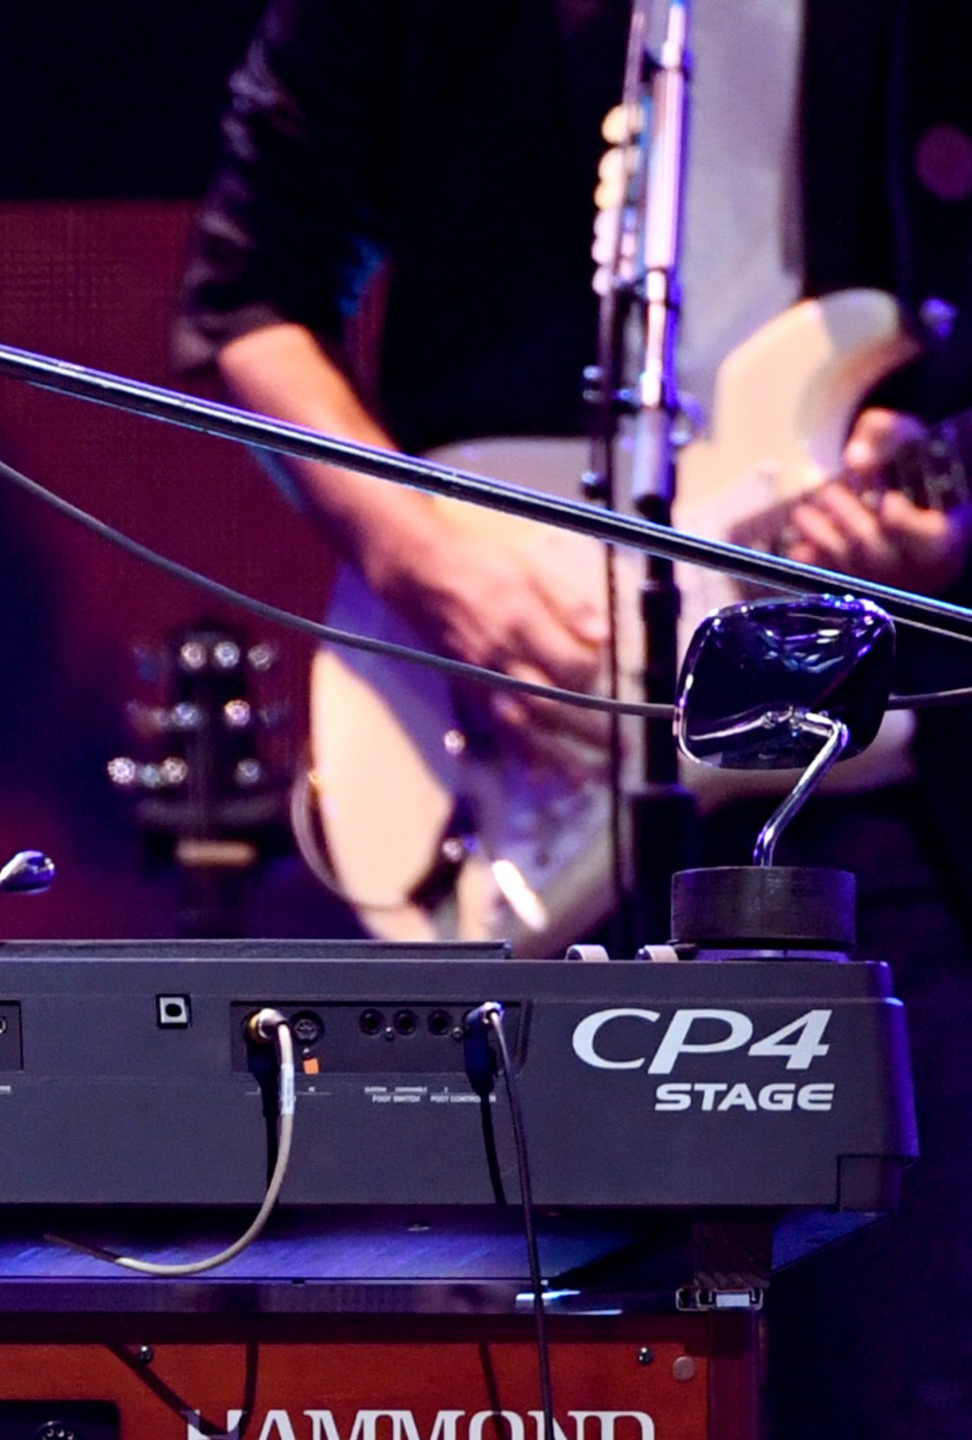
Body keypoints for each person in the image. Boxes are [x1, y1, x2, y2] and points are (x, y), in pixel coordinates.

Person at [177, 0, 972, 1432]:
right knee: (502, 1374)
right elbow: (246, 298)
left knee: (885, 1362)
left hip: (865, 783)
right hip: (498, 730)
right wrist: (438, 563)